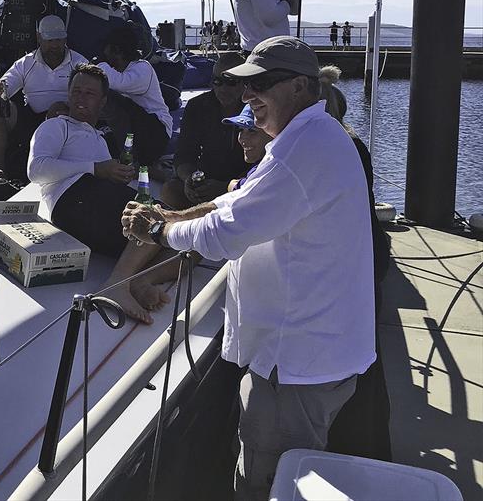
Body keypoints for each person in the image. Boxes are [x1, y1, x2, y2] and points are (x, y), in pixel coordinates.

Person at [122, 36, 375, 501]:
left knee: (267, 481)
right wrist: (173, 216)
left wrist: (157, 235)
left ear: (300, 87)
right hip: (308, 356)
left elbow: (224, 236)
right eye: (243, 85)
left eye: (259, 84)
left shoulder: (303, 152)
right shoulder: (305, 139)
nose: (245, 97)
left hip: (296, 366)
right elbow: (238, 198)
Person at [27, 64, 171, 324]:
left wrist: (121, 175)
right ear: (68, 95)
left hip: (98, 201)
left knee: (187, 236)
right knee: (158, 217)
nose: (81, 98)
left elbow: (106, 180)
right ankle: (117, 284)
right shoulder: (57, 127)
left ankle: (137, 280)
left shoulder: (100, 139)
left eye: (90, 93)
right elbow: (36, 170)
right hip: (73, 197)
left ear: (103, 102)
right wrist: (96, 169)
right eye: (77, 91)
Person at [317, 65, 392, 462]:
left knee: (353, 361)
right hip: (367, 255)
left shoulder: (332, 150)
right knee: (365, 357)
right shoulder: (354, 145)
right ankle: (368, 447)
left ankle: (352, 447)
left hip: (351, 262)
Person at [0, 15, 87, 176]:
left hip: (67, 117)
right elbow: (5, 87)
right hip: (30, 117)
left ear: (65, 39)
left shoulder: (79, 62)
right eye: (50, 40)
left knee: (57, 110)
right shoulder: (26, 63)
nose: (55, 45)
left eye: (58, 40)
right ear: (39, 38)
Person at [161, 52, 249, 209]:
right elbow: (184, 154)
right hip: (206, 183)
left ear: (245, 83)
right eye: (217, 81)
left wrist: (225, 188)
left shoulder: (256, 109)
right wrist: (190, 179)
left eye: (231, 82)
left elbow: (262, 165)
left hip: (242, 186)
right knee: (170, 191)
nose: (223, 88)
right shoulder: (197, 107)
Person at [97, 25, 172, 167]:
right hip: (135, 131)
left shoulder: (143, 68)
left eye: (106, 50)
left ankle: (131, 160)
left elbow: (120, 83)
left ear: (117, 50)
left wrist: (99, 64)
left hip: (155, 132)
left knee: (110, 99)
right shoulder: (118, 71)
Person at [221, 104, 273, 191]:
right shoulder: (261, 166)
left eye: (252, 131)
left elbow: (242, 189)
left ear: (272, 133)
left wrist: (230, 185)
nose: (242, 138)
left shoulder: (271, 167)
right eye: (240, 130)